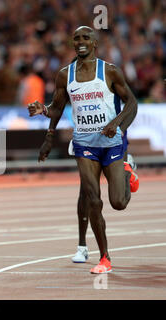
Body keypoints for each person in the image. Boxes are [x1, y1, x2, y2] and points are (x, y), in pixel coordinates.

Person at [28, 26, 139, 274]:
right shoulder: (64, 75)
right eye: (76, 38)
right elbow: (57, 108)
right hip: (84, 144)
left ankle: (127, 168)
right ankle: (105, 258)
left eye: (85, 37)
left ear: (94, 43)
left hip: (111, 142)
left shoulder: (109, 71)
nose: (80, 41)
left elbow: (132, 103)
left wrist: (116, 124)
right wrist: (45, 120)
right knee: (92, 198)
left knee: (118, 202)